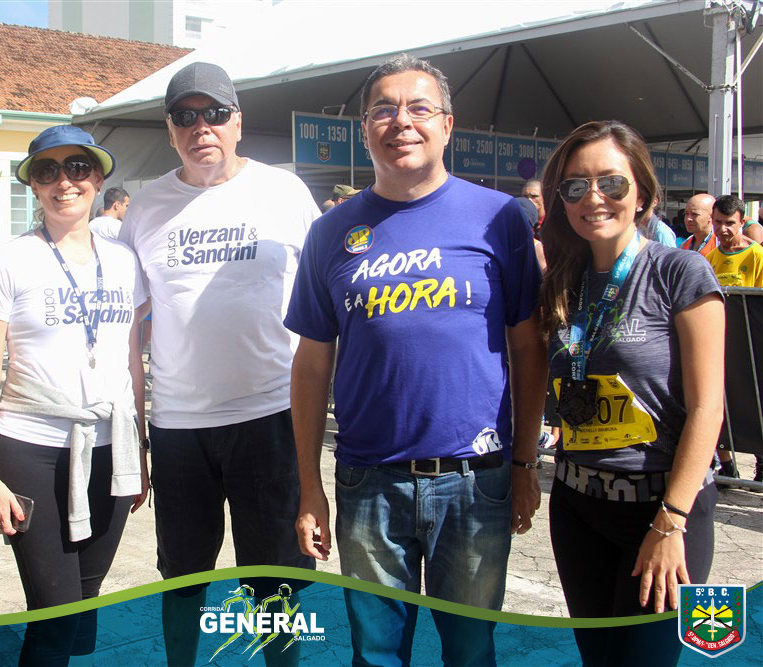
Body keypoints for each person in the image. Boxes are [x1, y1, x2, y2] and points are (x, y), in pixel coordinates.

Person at [286, 54, 547, 667]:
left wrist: (525, 463)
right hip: (367, 483)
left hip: (476, 481)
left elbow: (528, 349)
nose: (401, 121)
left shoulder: (500, 218)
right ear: (365, 130)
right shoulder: (331, 233)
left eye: (419, 108)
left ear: (447, 125)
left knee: (470, 651)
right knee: (375, 655)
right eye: (384, 110)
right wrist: (309, 487)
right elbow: (311, 366)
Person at [119, 61, 318, 666]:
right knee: (182, 576)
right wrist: (133, 434)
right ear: (170, 129)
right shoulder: (146, 208)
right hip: (179, 426)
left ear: (238, 122)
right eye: (185, 116)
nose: (200, 126)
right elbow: (124, 327)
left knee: (274, 580)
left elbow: (326, 301)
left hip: (270, 416)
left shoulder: (284, 192)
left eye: (215, 113)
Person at [540, 120, 723, 666]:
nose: (593, 197)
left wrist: (670, 522)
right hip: (577, 506)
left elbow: (708, 407)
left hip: (662, 508)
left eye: (611, 182)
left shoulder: (680, 272)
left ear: (641, 192)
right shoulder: (562, 281)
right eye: (575, 185)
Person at [0, 124, 149, 665]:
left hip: (110, 448)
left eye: (77, 168)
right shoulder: (10, 260)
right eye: (48, 171)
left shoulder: (124, 261)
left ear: (98, 178)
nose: (64, 182)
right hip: (31, 448)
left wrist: (140, 453)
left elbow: (131, 363)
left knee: (86, 596)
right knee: (55, 609)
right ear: (33, 185)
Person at [705, 195, 763, 484]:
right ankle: (727, 466)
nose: (723, 229)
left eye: (729, 223)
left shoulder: (756, 256)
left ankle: (760, 465)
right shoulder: (709, 259)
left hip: (750, 347)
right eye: (717, 222)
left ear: (742, 222)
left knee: (754, 404)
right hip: (718, 346)